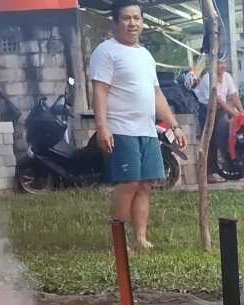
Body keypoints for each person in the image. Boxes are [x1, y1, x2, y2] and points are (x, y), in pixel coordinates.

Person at [89, 0, 186, 250]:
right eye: (126, 18)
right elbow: (99, 91)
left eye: (137, 18)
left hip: (147, 130)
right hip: (121, 129)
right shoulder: (106, 51)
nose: (132, 23)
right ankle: (118, 241)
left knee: (146, 185)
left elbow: (157, 95)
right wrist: (102, 127)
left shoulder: (145, 55)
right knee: (129, 183)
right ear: (115, 22)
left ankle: (140, 238)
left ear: (142, 22)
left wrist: (174, 125)